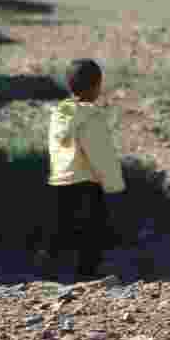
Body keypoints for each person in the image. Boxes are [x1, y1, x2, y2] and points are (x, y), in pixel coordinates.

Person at [46, 59, 126, 280]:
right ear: (96, 86)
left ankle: (54, 271)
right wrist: (114, 184)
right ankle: (87, 274)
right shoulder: (91, 117)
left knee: (64, 226)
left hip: (60, 180)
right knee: (92, 229)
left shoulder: (59, 114)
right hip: (87, 182)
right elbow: (100, 154)